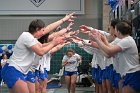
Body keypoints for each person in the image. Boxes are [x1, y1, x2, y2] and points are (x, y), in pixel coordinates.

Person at [1, 12, 75, 93]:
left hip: (17, 71)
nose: (44, 32)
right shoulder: (26, 36)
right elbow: (41, 51)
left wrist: (63, 21)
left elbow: (42, 45)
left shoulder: (33, 39)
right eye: (42, 30)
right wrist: (54, 42)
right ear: (37, 29)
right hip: (13, 69)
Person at [90, 21, 140, 93]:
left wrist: (97, 40)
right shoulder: (123, 40)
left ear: (118, 31)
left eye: (115, 29)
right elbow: (108, 54)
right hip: (126, 73)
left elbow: (109, 51)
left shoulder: (127, 40)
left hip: (132, 73)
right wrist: (101, 41)